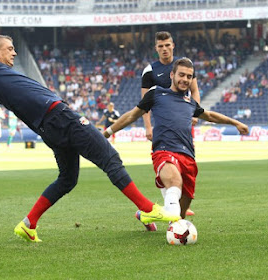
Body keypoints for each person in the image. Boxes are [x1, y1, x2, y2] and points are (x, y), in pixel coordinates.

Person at [0, 24, 180, 242]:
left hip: (48, 129)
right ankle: (149, 210)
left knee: (67, 179)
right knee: (110, 159)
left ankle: (28, 224)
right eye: (10, 49)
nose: (15, 52)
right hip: (60, 116)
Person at [104, 58, 249, 225]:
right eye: (181, 75)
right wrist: (107, 132)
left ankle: (147, 216)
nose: (185, 80)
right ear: (172, 74)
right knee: (174, 181)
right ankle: (161, 214)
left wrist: (235, 122)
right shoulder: (156, 93)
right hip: (164, 151)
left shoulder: (190, 103)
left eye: (189, 76)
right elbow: (131, 115)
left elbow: (209, 116)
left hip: (187, 155)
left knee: (180, 216)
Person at [141, 31, 201, 217]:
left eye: (167, 45)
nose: (164, 49)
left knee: (185, 159)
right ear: (156, 48)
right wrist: (148, 126)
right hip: (162, 122)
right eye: (161, 46)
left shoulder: (185, 66)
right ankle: (172, 204)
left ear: (173, 45)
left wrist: (195, 112)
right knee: (165, 159)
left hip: (183, 118)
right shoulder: (150, 71)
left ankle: (176, 204)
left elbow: (195, 90)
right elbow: (144, 102)